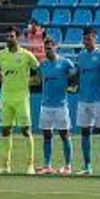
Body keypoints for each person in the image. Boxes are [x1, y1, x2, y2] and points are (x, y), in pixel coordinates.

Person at [0, 29, 39, 175]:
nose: (8, 38)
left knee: (26, 130)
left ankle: (30, 166)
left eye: (11, 36)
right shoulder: (1, 54)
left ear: (18, 38)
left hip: (22, 97)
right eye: (7, 36)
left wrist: (33, 81)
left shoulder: (27, 55)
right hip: (6, 97)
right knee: (5, 130)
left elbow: (38, 70)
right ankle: (5, 166)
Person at [72, 28, 100, 176]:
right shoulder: (80, 56)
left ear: (95, 39)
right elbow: (78, 75)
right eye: (84, 39)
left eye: (89, 39)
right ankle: (87, 166)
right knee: (85, 131)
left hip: (99, 99)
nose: (86, 42)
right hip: (83, 99)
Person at [35, 38, 74, 175]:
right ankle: (47, 166)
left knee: (64, 135)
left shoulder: (65, 63)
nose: (47, 51)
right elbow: (38, 79)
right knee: (47, 135)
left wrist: (72, 86)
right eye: (45, 48)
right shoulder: (43, 64)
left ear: (55, 47)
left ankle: (68, 166)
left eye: (49, 48)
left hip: (60, 105)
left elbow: (74, 76)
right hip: (45, 105)